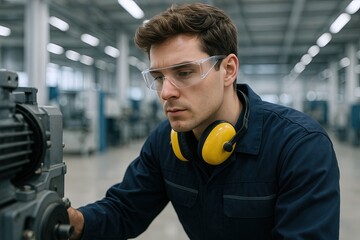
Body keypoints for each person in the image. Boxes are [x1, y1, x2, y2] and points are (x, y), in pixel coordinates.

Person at [68, 3, 340, 239]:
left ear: (229, 70)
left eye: (184, 72)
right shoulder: (165, 140)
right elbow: (124, 210)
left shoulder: (299, 146)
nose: (166, 92)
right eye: (159, 77)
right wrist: (76, 223)